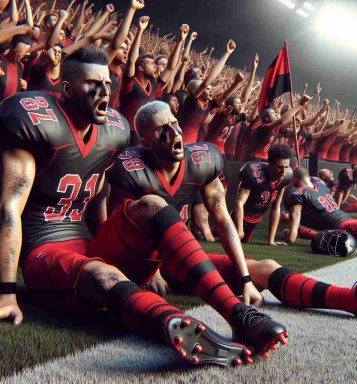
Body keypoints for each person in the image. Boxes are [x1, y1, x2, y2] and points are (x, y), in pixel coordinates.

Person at [0, 46, 288, 367]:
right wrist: (7, 291)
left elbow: (99, 199)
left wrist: (120, 245)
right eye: (92, 85)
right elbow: (9, 208)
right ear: (66, 89)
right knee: (101, 272)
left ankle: (238, 314)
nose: (103, 93)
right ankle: (176, 326)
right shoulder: (35, 118)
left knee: (151, 203)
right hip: (43, 250)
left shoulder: (115, 128)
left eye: (107, 84)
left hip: (88, 243)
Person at [106, 101, 357, 322]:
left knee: (265, 267)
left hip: (181, 253)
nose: (174, 133)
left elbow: (223, 220)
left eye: (174, 123)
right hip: (141, 261)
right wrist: (150, 270)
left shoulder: (202, 160)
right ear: (145, 141)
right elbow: (118, 230)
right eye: (162, 130)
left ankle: (355, 299)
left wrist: (245, 279)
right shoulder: (131, 168)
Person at [232, 144, 293, 245]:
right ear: (270, 163)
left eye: (286, 167)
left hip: (255, 218)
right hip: (240, 216)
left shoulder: (287, 177)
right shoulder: (253, 173)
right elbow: (239, 203)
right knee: (226, 238)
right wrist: (239, 228)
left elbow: (276, 207)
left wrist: (271, 241)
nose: (283, 172)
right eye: (280, 167)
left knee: (245, 241)